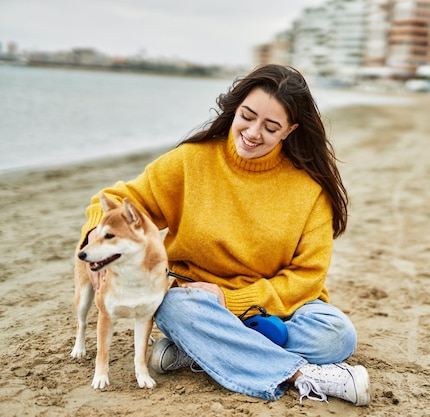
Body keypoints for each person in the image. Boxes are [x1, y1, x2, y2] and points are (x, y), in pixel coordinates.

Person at [78, 64, 370, 406]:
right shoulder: (190, 161)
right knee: (173, 307)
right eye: (247, 116)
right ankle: (302, 376)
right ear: (235, 108)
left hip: (277, 310)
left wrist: (230, 301)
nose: (252, 132)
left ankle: (202, 349)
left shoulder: (310, 191)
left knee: (337, 336)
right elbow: (121, 200)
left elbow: (308, 277)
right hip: (197, 304)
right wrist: (90, 245)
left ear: (289, 130)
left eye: (271, 127)